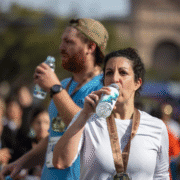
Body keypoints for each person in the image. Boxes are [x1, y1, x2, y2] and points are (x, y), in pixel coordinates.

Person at [0, 18, 109, 180]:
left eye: (69, 42)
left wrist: (55, 89)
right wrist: (21, 162)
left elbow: (88, 131)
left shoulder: (104, 87)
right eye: (61, 42)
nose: (61, 48)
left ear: (90, 47)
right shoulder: (64, 85)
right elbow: (53, 138)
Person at [53, 48, 170, 180]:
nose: (115, 78)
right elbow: (60, 162)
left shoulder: (157, 127)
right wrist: (84, 114)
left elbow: (161, 176)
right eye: (109, 73)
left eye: (123, 73)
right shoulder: (87, 120)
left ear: (137, 83)